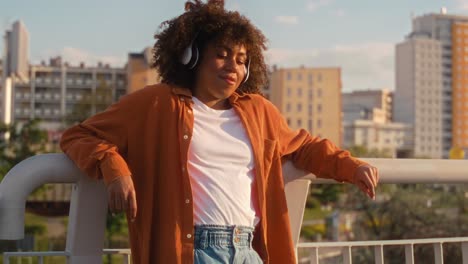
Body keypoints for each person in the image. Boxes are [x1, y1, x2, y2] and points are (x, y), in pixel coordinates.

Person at [60, 0, 379, 263]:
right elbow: (78, 136)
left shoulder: (258, 110)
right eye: (222, 54)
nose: (233, 67)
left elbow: (304, 147)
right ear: (192, 56)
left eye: (241, 60)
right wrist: (114, 169)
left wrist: (352, 166)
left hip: (248, 250)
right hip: (191, 251)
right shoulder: (156, 103)